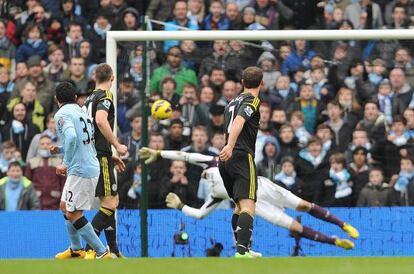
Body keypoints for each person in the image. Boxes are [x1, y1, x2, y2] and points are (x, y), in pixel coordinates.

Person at [139, 147, 358, 252]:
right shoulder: (215, 195)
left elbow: (184, 155)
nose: (205, 178)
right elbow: (200, 214)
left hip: (263, 186)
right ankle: (334, 241)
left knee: (303, 205)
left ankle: (343, 224)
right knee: (293, 226)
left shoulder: (212, 162)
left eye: (204, 176)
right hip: (255, 205)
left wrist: (159, 153)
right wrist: (181, 206)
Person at [51, 81, 113, 259]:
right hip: (88, 165)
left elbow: (71, 137)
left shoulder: (62, 114)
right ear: (76, 98)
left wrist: (65, 162)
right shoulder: (81, 111)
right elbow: (83, 141)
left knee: (73, 212)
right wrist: (61, 149)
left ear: (57, 99)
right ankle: (76, 249)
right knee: (65, 206)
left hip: (80, 169)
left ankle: (102, 251)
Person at [83, 64, 128, 258]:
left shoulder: (88, 100)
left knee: (107, 202)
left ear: (95, 77)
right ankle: (89, 249)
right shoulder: (105, 96)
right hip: (99, 155)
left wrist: (111, 154)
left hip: (93, 154)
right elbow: (101, 120)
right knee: (111, 203)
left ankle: (114, 251)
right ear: (113, 77)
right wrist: (116, 145)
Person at [218, 66, 262, 258]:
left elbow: (229, 125)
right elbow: (239, 121)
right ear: (262, 83)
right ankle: (241, 251)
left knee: (238, 206)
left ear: (242, 83)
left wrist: (227, 147)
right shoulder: (252, 100)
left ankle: (242, 247)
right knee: (248, 206)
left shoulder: (231, 102)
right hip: (240, 155)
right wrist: (230, 145)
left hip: (226, 160)